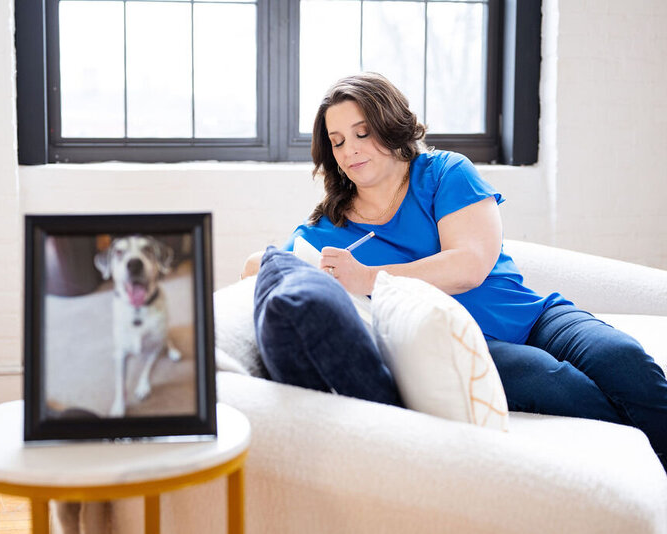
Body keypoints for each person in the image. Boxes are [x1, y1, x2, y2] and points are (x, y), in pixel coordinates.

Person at [242, 72, 667, 473]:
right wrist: (293, 268)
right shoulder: (329, 227)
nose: (349, 150)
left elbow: (469, 266)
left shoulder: (445, 172)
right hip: (470, 341)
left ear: (390, 125)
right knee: (556, 384)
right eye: (336, 142)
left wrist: (368, 278)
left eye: (362, 133)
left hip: (535, 316)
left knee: (623, 358)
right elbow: (259, 266)